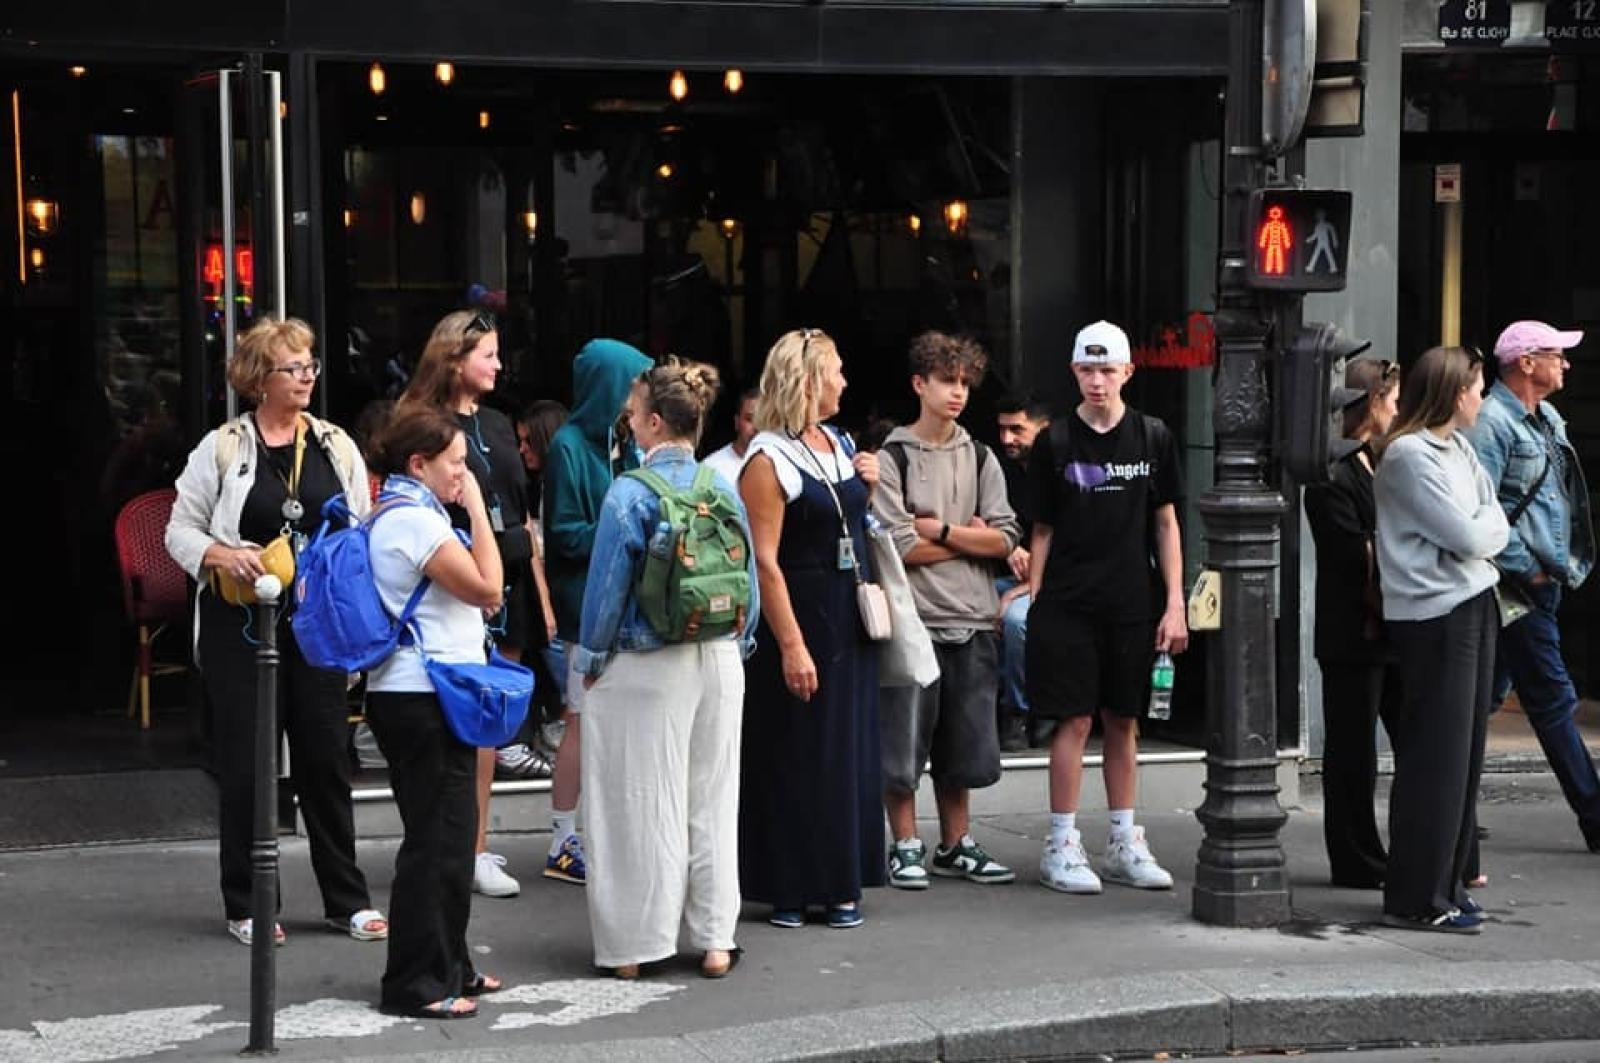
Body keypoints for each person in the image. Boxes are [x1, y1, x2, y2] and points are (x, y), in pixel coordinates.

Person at [164, 316, 387, 947]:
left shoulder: (335, 445)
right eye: (295, 368)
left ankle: (347, 900)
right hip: (242, 626)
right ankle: (249, 903)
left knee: (325, 760)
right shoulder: (223, 448)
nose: (308, 376)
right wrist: (220, 554)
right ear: (261, 379)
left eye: (311, 365)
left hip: (316, 626)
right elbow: (179, 530)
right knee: (248, 765)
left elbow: (361, 531)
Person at [576, 358, 757, 979]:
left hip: (647, 662)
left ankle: (635, 947)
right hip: (719, 657)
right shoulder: (721, 483)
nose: (627, 425)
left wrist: (590, 661)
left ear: (653, 424)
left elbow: (605, 594)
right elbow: (749, 589)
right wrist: (740, 644)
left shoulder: (629, 491)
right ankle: (713, 940)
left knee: (638, 803)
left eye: (631, 416)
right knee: (712, 800)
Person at [1026, 320, 1188, 896]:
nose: (1097, 381)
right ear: (1074, 371)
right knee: (1072, 719)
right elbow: (1041, 527)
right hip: (1069, 600)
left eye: (1107, 369)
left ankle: (1123, 838)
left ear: (1127, 372)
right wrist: (1035, 595)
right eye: (1087, 369)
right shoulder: (1056, 442)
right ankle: (1062, 842)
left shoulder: (1152, 437)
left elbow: (1166, 522)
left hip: (1130, 600)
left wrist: (1175, 604)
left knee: (1124, 718)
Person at [398, 310, 548, 900]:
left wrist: (539, 592)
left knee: (486, 723)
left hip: (506, 578)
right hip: (454, 582)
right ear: (455, 359)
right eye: (487, 353)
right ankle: (451, 843)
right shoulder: (423, 424)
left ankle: (477, 842)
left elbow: (523, 509)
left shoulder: (497, 420)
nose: (498, 364)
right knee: (452, 723)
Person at [739, 329, 885, 929]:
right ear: (808, 381)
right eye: (837, 372)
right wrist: (792, 644)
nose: (845, 382)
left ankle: (840, 878)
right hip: (800, 609)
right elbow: (765, 561)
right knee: (797, 750)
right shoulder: (767, 458)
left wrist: (869, 484)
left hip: (846, 606)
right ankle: (792, 885)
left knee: (845, 748)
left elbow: (857, 521)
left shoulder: (839, 442)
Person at [364, 407, 506, 1018]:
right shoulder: (418, 524)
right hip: (421, 696)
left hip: (422, 692)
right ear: (417, 464)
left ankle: (452, 965)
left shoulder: (400, 514)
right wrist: (476, 509)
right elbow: (488, 587)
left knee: (448, 834)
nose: (463, 473)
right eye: (455, 463)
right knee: (436, 841)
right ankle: (415, 984)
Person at [873, 331, 1020, 890]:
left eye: (964, 383)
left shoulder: (980, 454)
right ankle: (905, 842)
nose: (958, 393)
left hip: (975, 617)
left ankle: (956, 843)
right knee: (903, 743)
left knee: (965, 744)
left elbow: (1006, 538)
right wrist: (967, 537)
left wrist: (935, 527)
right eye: (946, 381)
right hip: (915, 619)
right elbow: (897, 546)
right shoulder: (893, 455)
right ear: (920, 384)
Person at [1374, 345, 1507, 932]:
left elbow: (1494, 520)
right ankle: (1418, 896)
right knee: (1437, 756)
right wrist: (1481, 530)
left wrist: (1481, 530)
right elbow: (1470, 533)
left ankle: (1446, 883)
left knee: (1466, 756)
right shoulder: (1408, 454)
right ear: (1455, 392)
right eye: (1477, 386)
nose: (1483, 396)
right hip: (1434, 614)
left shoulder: (1457, 448)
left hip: (1474, 603)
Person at [1466, 321, 1600, 854]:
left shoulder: (1545, 418)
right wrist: (1531, 568)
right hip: (1517, 585)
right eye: (1555, 354)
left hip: (1543, 580)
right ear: (1525, 363)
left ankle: (1445, 805)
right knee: (1552, 698)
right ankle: (1594, 815)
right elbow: (1484, 507)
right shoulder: (1494, 424)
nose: (1564, 363)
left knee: (1484, 698)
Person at [542, 338, 655, 886]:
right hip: (583, 608)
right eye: (632, 385)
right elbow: (562, 534)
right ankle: (564, 836)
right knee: (581, 719)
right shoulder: (568, 445)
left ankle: (604, 832)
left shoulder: (622, 443)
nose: (637, 399)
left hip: (622, 605)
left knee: (611, 722)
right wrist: (626, 533)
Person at [1304, 358, 1402, 889]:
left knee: (1408, 738)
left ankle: (1401, 850)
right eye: (1391, 399)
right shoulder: (1333, 473)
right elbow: (1351, 551)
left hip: (1387, 626)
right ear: (1369, 404)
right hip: (1351, 630)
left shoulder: (1374, 462)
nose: (1397, 410)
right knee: (1352, 752)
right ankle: (1356, 858)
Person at [993, 393, 1051, 752]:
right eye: (1002, 430)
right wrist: (1007, 545)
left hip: (1057, 581)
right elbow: (980, 516)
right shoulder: (1001, 469)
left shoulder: (1064, 469)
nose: (1007, 439)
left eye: (1017, 430)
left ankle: (1019, 710)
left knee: (1016, 620)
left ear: (1043, 429)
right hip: (1008, 578)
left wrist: (1016, 592)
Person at [701, 387, 759, 487]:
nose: (757, 427)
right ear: (737, 422)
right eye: (749, 419)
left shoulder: (781, 467)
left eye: (763, 420)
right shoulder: (711, 469)